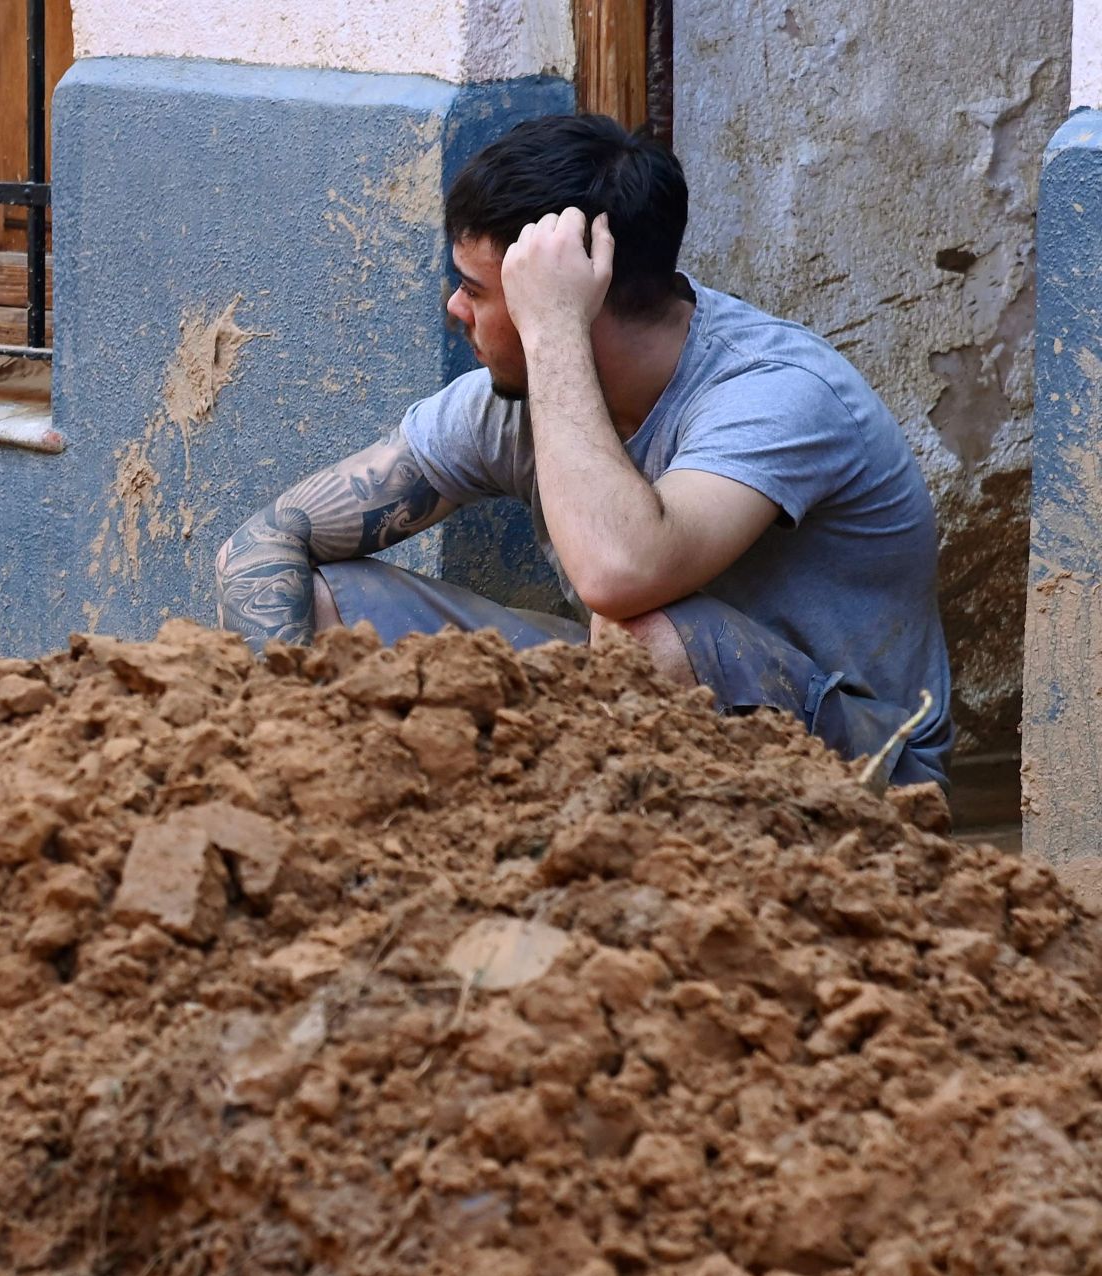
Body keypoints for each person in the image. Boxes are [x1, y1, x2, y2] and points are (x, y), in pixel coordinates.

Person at [213, 113, 952, 791]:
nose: (455, 309)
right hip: (633, 713)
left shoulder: (778, 394)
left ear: (568, 298)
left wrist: (557, 332)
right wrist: (282, 733)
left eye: (477, 289)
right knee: (320, 600)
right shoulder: (509, 398)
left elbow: (619, 574)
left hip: (862, 766)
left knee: (638, 632)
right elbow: (267, 540)